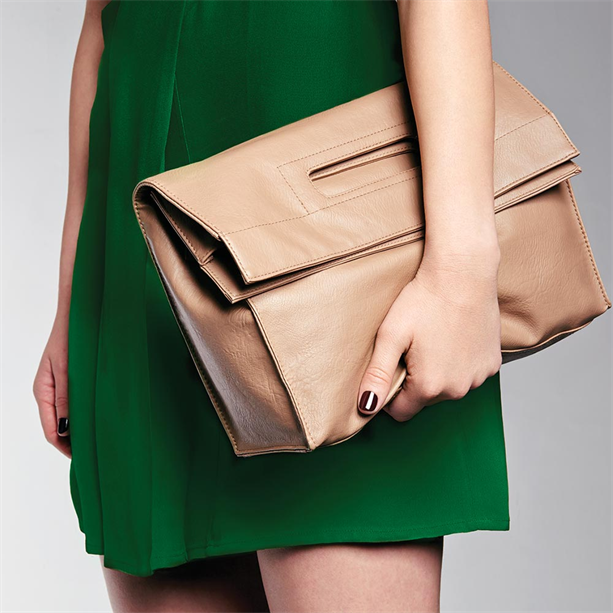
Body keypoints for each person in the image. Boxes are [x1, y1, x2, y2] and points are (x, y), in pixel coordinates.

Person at [33, 1, 509, 611]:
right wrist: (72, 302)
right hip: (138, 222)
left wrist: (462, 269)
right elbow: (100, 15)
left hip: (324, 199)